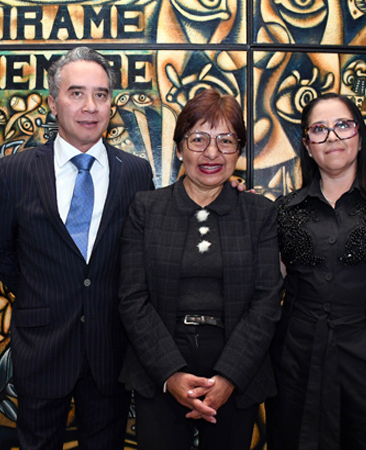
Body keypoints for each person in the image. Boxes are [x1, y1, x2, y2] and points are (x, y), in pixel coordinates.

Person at [0, 47, 155, 450]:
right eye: (76, 93)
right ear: (52, 103)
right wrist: (40, 293)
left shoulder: (135, 172)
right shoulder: (15, 170)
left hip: (110, 348)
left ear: (111, 104)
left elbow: (144, 253)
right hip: (41, 347)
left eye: (101, 94)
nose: (90, 106)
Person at [118, 88, 283, 450]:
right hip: (160, 365)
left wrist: (229, 377)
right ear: (179, 148)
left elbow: (266, 301)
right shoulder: (145, 209)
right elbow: (132, 298)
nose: (212, 152)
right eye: (198, 139)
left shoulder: (259, 214)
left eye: (226, 140)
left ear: (239, 150)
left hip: (237, 366)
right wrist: (171, 374)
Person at [266, 93, 366, 450]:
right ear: (307, 145)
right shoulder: (285, 211)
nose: (332, 137)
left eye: (343, 125)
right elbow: (269, 286)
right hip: (296, 362)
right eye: (319, 129)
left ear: (360, 136)